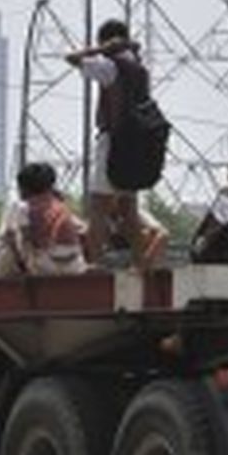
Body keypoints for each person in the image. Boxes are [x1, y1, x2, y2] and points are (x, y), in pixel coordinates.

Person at [65, 19, 150, 270]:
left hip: (113, 141)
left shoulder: (110, 66)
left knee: (98, 206)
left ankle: (94, 262)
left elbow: (71, 57)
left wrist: (101, 50)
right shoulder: (138, 66)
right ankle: (141, 262)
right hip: (135, 143)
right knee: (128, 208)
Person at [0, 162, 88, 278]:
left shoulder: (22, 207)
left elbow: (23, 241)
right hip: (74, 266)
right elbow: (84, 231)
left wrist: (27, 268)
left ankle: (1, 278)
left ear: (23, 189)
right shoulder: (61, 207)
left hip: (42, 267)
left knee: (4, 239)